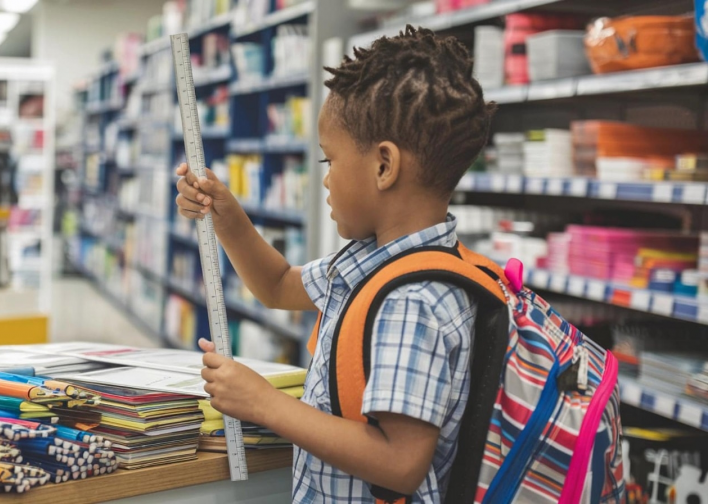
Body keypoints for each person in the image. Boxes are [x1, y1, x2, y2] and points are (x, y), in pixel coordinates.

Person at [174, 25, 495, 503]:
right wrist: (229, 219)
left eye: (329, 162)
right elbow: (279, 286)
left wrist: (263, 403)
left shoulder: (411, 300)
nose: (325, 180)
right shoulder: (372, 259)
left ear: (384, 166)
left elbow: (400, 463)